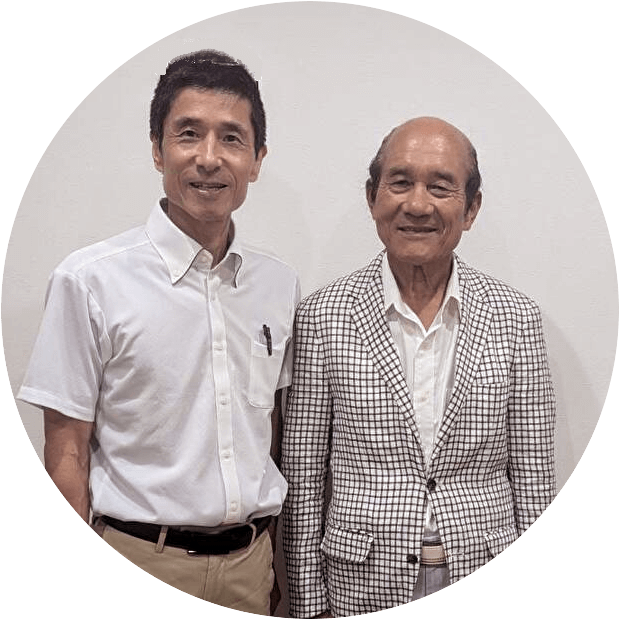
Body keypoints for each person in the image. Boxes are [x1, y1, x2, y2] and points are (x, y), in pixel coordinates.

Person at [18, 49, 300, 615]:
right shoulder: (89, 280)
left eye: (232, 138)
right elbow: (66, 449)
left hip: (250, 565)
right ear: (157, 149)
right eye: (188, 134)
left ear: (257, 160)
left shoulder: (278, 284)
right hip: (140, 554)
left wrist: (275, 561)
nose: (208, 158)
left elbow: (270, 425)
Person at [281, 117, 556, 617]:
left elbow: (534, 475)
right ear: (372, 197)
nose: (418, 204)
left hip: (481, 555)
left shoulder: (517, 318)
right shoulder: (323, 315)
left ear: (471, 208)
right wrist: (308, 601)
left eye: (441, 187)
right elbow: (303, 474)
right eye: (401, 182)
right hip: (359, 582)